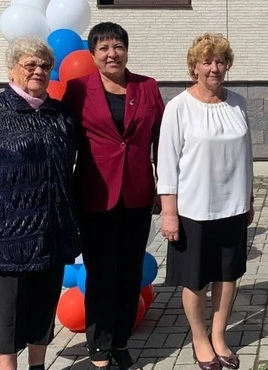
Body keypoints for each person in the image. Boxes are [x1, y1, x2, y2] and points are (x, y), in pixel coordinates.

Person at [0, 36, 80, 370]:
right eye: (30, 64)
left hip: (49, 232)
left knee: (42, 309)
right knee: (7, 314)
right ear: (12, 70)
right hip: (3, 237)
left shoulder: (61, 115)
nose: (39, 71)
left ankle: (37, 366)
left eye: (45, 66)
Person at [62, 22, 165, 370]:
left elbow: (162, 143)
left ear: (127, 51)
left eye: (118, 46)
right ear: (92, 54)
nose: (112, 54)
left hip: (137, 195)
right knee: (101, 275)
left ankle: (121, 341)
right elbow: (65, 142)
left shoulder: (147, 87)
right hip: (95, 196)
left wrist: (164, 188)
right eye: (104, 48)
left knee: (128, 273)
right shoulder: (78, 89)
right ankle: (99, 347)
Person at [157, 34, 253, 370]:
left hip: (233, 206)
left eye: (220, 61)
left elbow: (246, 155)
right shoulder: (179, 107)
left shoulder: (238, 103)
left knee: (227, 275)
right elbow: (167, 163)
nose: (214, 68)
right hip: (193, 210)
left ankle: (219, 336)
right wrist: (169, 212)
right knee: (195, 279)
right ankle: (199, 339)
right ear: (194, 67)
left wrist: (249, 196)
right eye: (207, 61)